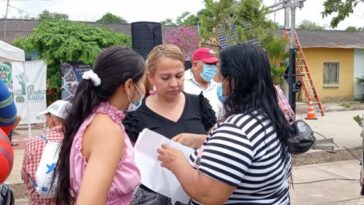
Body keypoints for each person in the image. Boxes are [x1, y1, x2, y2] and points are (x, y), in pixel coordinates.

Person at [157, 43, 294, 205]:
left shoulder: (237, 131)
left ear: (233, 80)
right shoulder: (268, 116)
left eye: (222, 78)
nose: (220, 84)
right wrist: (200, 140)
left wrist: (176, 161)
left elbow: (207, 194)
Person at [124, 44, 216, 205]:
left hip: (199, 196)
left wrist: (199, 139)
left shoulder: (199, 104)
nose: (174, 83)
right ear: (151, 77)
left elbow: (219, 144)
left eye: (179, 76)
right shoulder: (135, 117)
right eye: (166, 78)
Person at [54, 46, 145, 205]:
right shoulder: (108, 130)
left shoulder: (96, 118)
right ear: (129, 85)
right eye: (144, 82)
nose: (146, 89)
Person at [21, 100, 71, 205]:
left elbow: (25, 177)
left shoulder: (33, 142)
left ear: (52, 118)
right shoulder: (77, 142)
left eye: (46, 116)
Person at [183, 48, 223, 119]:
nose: (213, 68)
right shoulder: (181, 83)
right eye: (209, 64)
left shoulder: (217, 88)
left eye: (214, 64)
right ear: (195, 65)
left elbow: (222, 117)